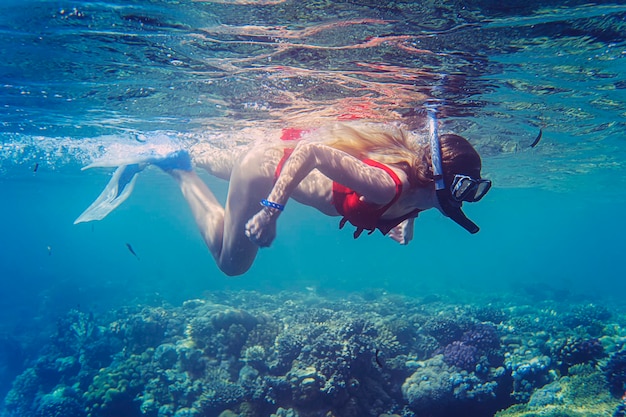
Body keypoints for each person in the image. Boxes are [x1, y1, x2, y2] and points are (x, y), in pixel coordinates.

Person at [76, 115, 491, 276]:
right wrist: (271, 210)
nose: (466, 200)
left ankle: (180, 148)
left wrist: (401, 222)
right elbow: (310, 152)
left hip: (268, 157)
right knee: (231, 264)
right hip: (265, 172)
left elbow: (407, 205)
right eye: (462, 188)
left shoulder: (417, 194)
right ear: (437, 177)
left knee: (224, 161)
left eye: (474, 191)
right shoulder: (389, 185)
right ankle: (179, 169)